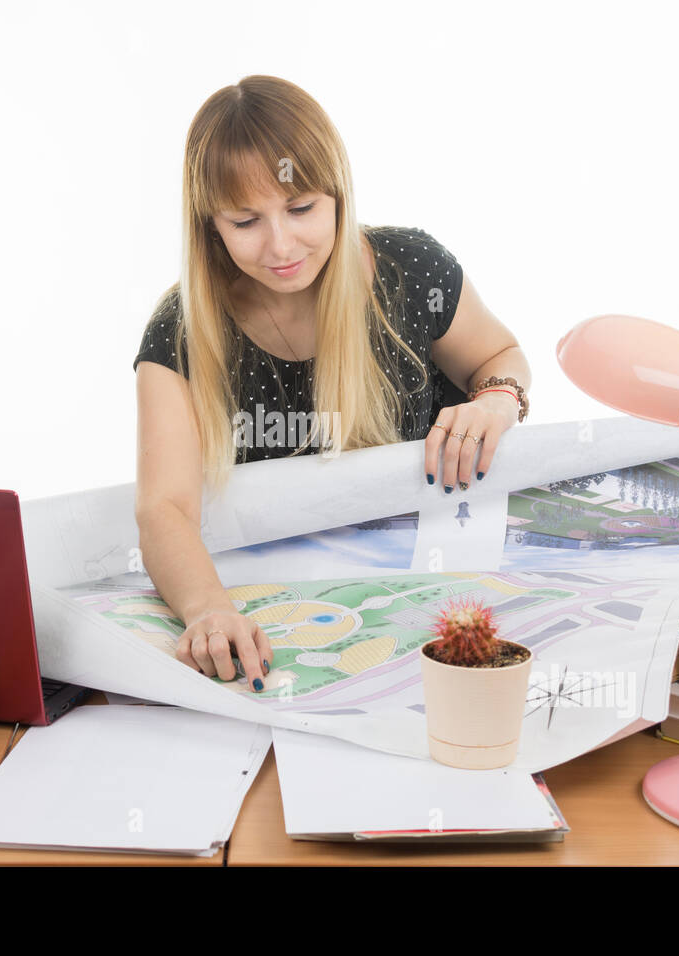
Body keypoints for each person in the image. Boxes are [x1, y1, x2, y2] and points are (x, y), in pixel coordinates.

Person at [133, 75, 531, 694]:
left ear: (338, 196)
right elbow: (165, 506)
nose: (281, 246)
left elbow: (498, 356)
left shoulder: (411, 271)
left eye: (301, 209)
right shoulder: (180, 332)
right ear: (210, 224)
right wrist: (209, 609)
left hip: (436, 576)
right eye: (245, 221)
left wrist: (498, 400)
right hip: (283, 595)